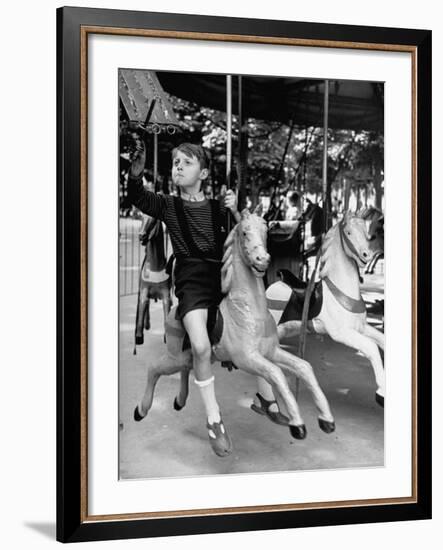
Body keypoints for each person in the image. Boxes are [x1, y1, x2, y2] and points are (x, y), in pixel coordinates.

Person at [128, 137, 240, 457]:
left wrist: (236, 210)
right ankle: (214, 420)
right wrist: (135, 175)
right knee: (201, 347)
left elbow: (243, 239)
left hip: (221, 281)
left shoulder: (219, 208)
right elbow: (138, 197)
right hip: (191, 284)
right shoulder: (168, 205)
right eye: (176, 162)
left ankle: (269, 399)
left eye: (186, 162)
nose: (178, 166)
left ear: (203, 174)